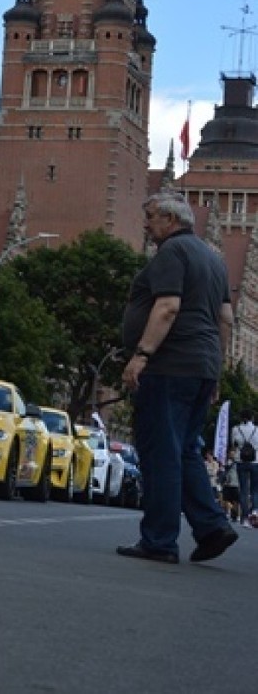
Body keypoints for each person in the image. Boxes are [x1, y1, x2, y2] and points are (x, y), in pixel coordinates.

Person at [118, 194, 237, 565]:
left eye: (151, 217)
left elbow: (167, 307)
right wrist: (214, 370)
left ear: (171, 219)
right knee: (185, 450)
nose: (147, 224)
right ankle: (212, 526)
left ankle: (159, 540)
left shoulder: (172, 253)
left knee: (161, 452)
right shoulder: (214, 261)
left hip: (170, 366)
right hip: (200, 367)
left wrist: (142, 355)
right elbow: (226, 320)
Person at [231, 409, 258, 526]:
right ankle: (255, 512)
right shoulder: (257, 430)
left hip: (240, 460)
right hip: (255, 461)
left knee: (243, 490)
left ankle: (245, 518)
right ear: (252, 417)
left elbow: (234, 444)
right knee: (255, 490)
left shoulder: (236, 429)